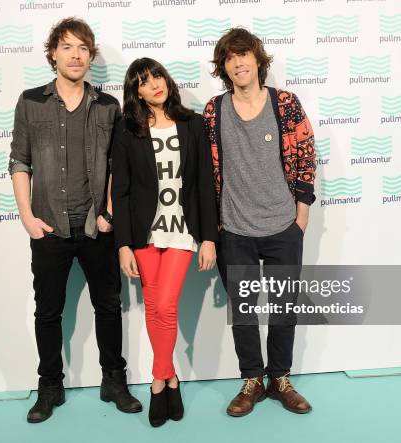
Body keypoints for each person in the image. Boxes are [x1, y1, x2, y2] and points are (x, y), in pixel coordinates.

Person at [8, 17, 142, 423]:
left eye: (83, 48)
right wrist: (27, 216)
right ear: (53, 53)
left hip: (96, 228)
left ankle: (113, 381)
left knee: (109, 305)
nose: (76, 55)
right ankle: (50, 386)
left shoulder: (108, 106)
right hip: (48, 226)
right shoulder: (31, 102)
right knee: (47, 312)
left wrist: (109, 214)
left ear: (91, 55)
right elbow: (19, 161)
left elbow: (118, 165)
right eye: (67, 46)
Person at [203, 27, 317, 417]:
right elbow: (205, 173)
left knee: (285, 307)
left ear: (257, 59)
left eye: (244, 54)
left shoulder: (284, 103)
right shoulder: (213, 111)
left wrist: (301, 216)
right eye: (230, 58)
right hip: (234, 230)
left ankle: (280, 378)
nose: (238, 62)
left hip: (284, 226)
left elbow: (304, 154)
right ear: (224, 67)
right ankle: (252, 380)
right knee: (245, 313)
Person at [111, 58, 218, 427]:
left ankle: (158, 381)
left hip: (182, 230)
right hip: (144, 232)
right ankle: (171, 377)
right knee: (156, 306)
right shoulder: (127, 130)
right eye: (143, 81)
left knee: (166, 306)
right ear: (136, 92)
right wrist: (123, 244)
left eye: (156, 75)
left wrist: (208, 238)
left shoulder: (192, 124)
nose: (154, 83)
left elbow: (205, 184)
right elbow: (121, 192)